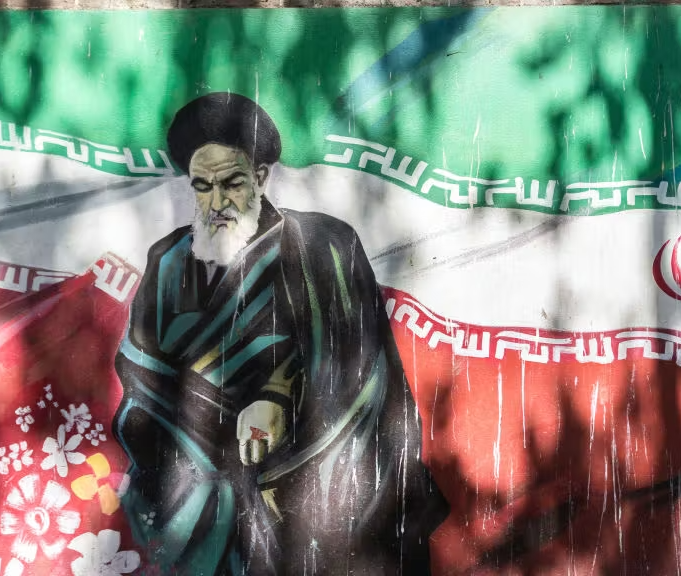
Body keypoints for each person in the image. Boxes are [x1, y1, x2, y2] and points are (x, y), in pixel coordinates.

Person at [111, 92, 448, 576]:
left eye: (232, 183)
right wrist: (214, 429)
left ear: (261, 176)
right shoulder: (168, 262)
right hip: (200, 478)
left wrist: (279, 398)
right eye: (203, 187)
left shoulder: (323, 247)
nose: (217, 203)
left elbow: (358, 372)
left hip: (306, 471)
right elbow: (142, 375)